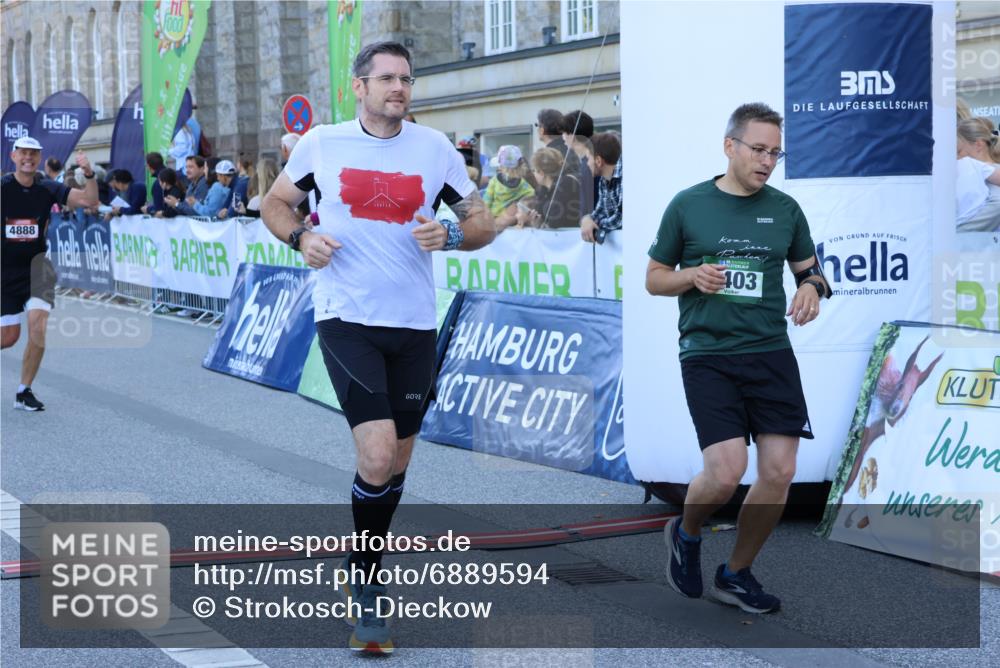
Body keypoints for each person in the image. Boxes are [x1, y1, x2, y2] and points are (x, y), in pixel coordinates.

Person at [261, 41, 495, 654]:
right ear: (359, 86)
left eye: (407, 79)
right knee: (377, 453)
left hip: (415, 324)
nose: (400, 87)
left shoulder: (434, 149)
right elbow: (275, 203)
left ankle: (361, 561)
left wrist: (452, 232)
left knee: (398, 464)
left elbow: (483, 223)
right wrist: (299, 238)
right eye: (388, 78)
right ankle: (367, 588)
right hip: (348, 318)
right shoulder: (322, 144)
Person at [646, 102, 831, 614]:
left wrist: (812, 289)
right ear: (730, 147)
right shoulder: (688, 205)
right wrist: (691, 276)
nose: (768, 160)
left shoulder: (786, 209)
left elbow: (813, 273)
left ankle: (736, 573)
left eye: (776, 152)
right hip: (708, 354)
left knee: (779, 471)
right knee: (727, 472)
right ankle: (685, 532)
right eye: (758, 149)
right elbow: (653, 278)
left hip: (770, 353)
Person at [2, 138, 98, 411]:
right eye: (24, 153)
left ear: (39, 158)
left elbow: (90, 200)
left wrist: (88, 173)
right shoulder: (3, 187)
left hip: (38, 268)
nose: (28, 158)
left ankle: (24, 391)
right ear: (14, 156)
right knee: (8, 337)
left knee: (37, 327)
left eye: (33, 154)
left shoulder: (48, 188)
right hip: (5, 271)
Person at [516, 147, 581, 229]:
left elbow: (557, 220)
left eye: (534, 170)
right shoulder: (543, 189)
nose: (533, 174)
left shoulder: (566, 184)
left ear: (541, 173)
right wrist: (537, 222)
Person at [956, 116, 1000, 232]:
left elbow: (997, 205)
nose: (957, 157)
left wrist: (956, 233)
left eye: (959, 151)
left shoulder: (988, 172)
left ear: (979, 145)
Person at [580, 132, 623, 243]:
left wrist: (595, 225)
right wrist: (587, 219)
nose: (587, 164)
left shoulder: (626, 177)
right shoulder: (603, 181)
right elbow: (599, 212)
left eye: (588, 159)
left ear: (598, 161)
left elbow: (622, 218)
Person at [484, 145, 534, 226]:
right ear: (520, 165)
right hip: (513, 222)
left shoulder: (494, 181)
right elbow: (531, 195)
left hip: (494, 220)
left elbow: (486, 202)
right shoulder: (524, 185)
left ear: (500, 165)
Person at [536, 108, 582, 186]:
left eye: (537, 125)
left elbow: (545, 188)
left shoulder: (545, 156)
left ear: (542, 130)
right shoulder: (572, 149)